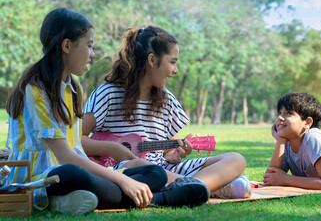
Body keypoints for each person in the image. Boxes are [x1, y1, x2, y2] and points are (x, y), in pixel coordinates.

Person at [5, 8, 209, 216]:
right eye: (89, 46)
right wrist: (122, 180)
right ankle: (158, 199)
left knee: (153, 171)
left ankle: (67, 201)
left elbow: (76, 149)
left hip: (72, 171)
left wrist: (115, 174)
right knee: (71, 174)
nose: (92, 54)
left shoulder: (73, 88)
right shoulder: (36, 89)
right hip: (40, 177)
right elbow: (66, 156)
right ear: (67, 45)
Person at [82, 25, 251, 199]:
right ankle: (208, 188)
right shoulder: (108, 93)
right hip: (126, 172)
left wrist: (175, 154)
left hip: (164, 170)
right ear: (152, 60)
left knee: (236, 159)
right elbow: (76, 140)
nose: (176, 70)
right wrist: (113, 148)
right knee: (140, 164)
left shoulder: (167, 100)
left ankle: (188, 187)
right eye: (172, 62)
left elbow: (166, 150)